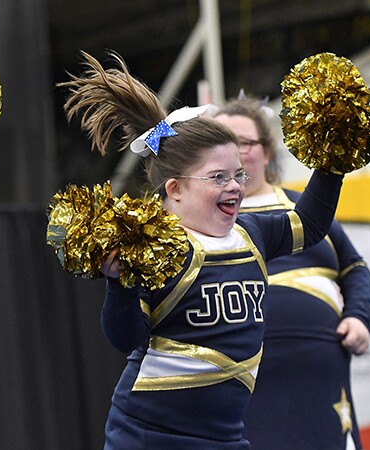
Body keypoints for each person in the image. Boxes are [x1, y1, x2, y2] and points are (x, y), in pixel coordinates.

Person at [58, 51, 346, 449]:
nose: (235, 187)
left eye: (238, 175)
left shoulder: (252, 233)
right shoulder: (158, 246)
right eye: (218, 177)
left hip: (225, 438)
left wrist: (335, 156)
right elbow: (126, 339)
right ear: (175, 188)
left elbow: (311, 224)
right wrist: (119, 283)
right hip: (148, 437)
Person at [213, 96, 370, 450]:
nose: (235, 153)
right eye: (222, 143)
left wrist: (359, 317)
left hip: (323, 384)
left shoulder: (307, 209)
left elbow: (355, 267)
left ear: (267, 153)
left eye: (244, 142)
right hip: (246, 389)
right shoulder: (203, 223)